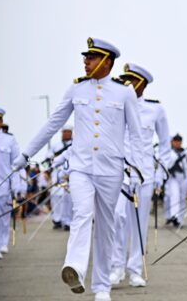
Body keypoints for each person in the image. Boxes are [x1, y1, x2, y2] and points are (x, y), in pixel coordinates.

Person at [11, 38, 144, 301]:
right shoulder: (76, 90)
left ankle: (102, 287)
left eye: (91, 57)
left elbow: (137, 136)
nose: (85, 61)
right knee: (82, 213)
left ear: (107, 62)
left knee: (106, 228)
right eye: (86, 57)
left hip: (111, 170)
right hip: (81, 168)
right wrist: (26, 153)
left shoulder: (124, 92)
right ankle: (75, 268)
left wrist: (139, 172)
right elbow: (52, 124)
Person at [110, 63, 173, 288]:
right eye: (124, 79)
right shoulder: (116, 105)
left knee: (139, 223)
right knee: (116, 218)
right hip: (118, 173)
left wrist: (160, 174)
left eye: (131, 80)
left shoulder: (155, 110)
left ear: (142, 84)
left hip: (144, 174)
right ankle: (116, 266)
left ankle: (135, 269)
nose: (126, 84)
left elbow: (166, 145)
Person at [0, 107, 22, 259]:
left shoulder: (10, 140)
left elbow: (15, 165)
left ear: (1, 121)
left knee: (2, 217)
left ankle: (2, 243)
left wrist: (16, 185)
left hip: (3, 185)